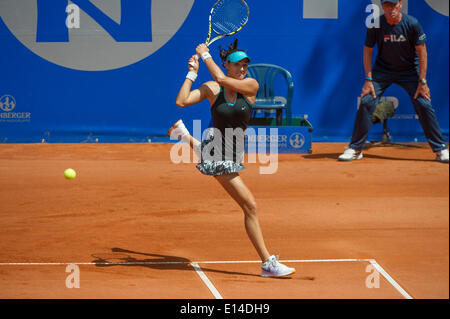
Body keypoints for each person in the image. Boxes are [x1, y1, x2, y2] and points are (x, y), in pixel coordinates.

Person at [168, 39, 295, 278]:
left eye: (245, 64)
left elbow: (222, 80)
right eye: (237, 65)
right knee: (250, 206)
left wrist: (205, 56)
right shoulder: (211, 89)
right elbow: (181, 101)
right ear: (226, 64)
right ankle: (267, 262)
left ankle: (182, 135)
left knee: (211, 154)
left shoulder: (251, 85)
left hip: (230, 152)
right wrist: (191, 73)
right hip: (219, 157)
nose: (242, 69)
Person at [339, 0, 448, 163]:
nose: (391, 9)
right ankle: (355, 148)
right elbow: (367, 51)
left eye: (393, 5)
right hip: (383, 71)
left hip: (409, 71)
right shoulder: (376, 24)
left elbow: (422, 52)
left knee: (424, 103)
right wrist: (368, 79)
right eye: (387, 5)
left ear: (400, 4)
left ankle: (440, 149)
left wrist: (422, 81)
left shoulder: (412, 23)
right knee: (367, 101)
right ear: (382, 6)